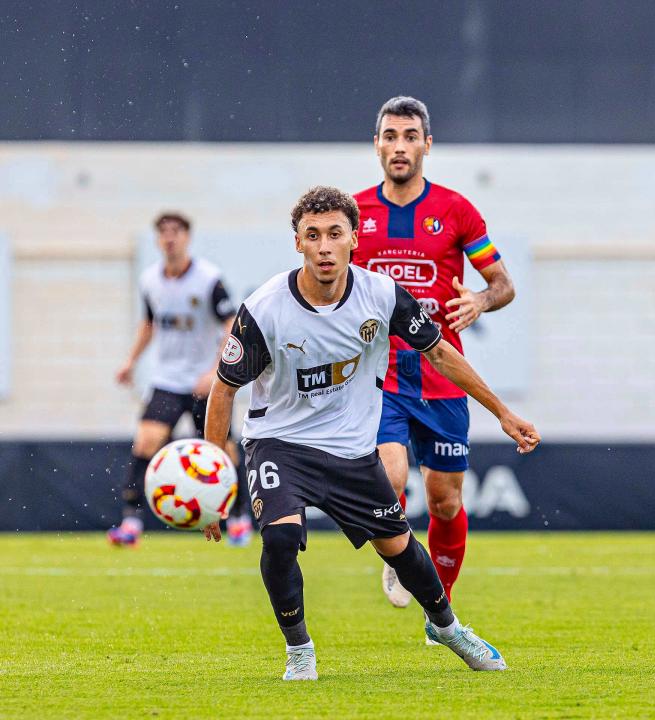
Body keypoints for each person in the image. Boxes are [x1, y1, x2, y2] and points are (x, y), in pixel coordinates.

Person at [203, 187, 539, 680]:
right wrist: (215, 483)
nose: (323, 247)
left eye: (334, 235)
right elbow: (224, 389)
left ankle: (447, 629)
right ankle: (300, 653)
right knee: (280, 540)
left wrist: (503, 413)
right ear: (296, 242)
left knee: (400, 549)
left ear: (354, 240)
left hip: (350, 450)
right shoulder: (264, 309)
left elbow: (440, 353)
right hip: (280, 444)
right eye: (312, 235)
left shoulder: (381, 296)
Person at [352, 96, 516, 607]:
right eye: (390, 136)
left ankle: (438, 605)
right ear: (376, 143)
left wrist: (480, 300)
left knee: (445, 503)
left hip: (441, 373)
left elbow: (503, 284)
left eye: (409, 136)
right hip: (381, 377)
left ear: (427, 143)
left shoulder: (456, 210)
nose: (399, 146)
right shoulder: (355, 212)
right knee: (391, 479)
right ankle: (401, 557)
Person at [107, 212, 238, 546]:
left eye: (176, 232)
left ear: (187, 237)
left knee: (221, 451)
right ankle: (132, 522)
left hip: (205, 382)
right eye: (163, 232)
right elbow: (148, 324)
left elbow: (231, 324)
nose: (169, 238)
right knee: (146, 442)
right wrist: (131, 361)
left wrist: (215, 372)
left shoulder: (209, 279)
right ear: (157, 239)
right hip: (167, 379)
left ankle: (237, 520)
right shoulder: (150, 279)